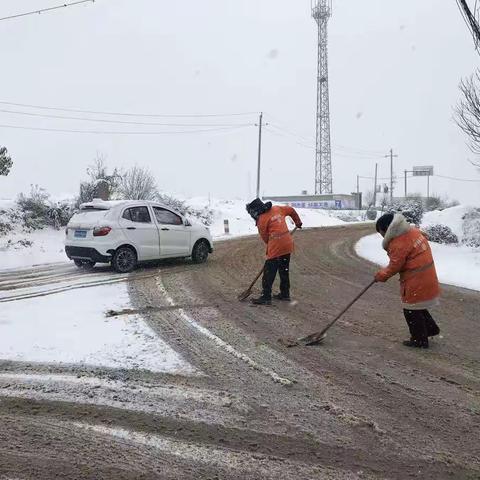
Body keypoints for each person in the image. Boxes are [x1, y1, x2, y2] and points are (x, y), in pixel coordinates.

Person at [374, 212, 441, 348]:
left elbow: (394, 266)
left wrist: (381, 275)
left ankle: (419, 340)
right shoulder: (411, 231)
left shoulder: (399, 242)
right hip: (426, 273)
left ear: (387, 228)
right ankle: (430, 328)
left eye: (381, 232)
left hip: (416, 277)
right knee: (417, 305)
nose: (381, 236)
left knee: (410, 308)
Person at [246, 198, 302, 305]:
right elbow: (291, 210)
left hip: (276, 245)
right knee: (283, 269)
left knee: (269, 272)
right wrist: (297, 222)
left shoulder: (261, 220)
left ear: (254, 212)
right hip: (287, 243)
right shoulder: (277, 209)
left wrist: (272, 250)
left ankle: (266, 297)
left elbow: (265, 238)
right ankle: (285, 293)